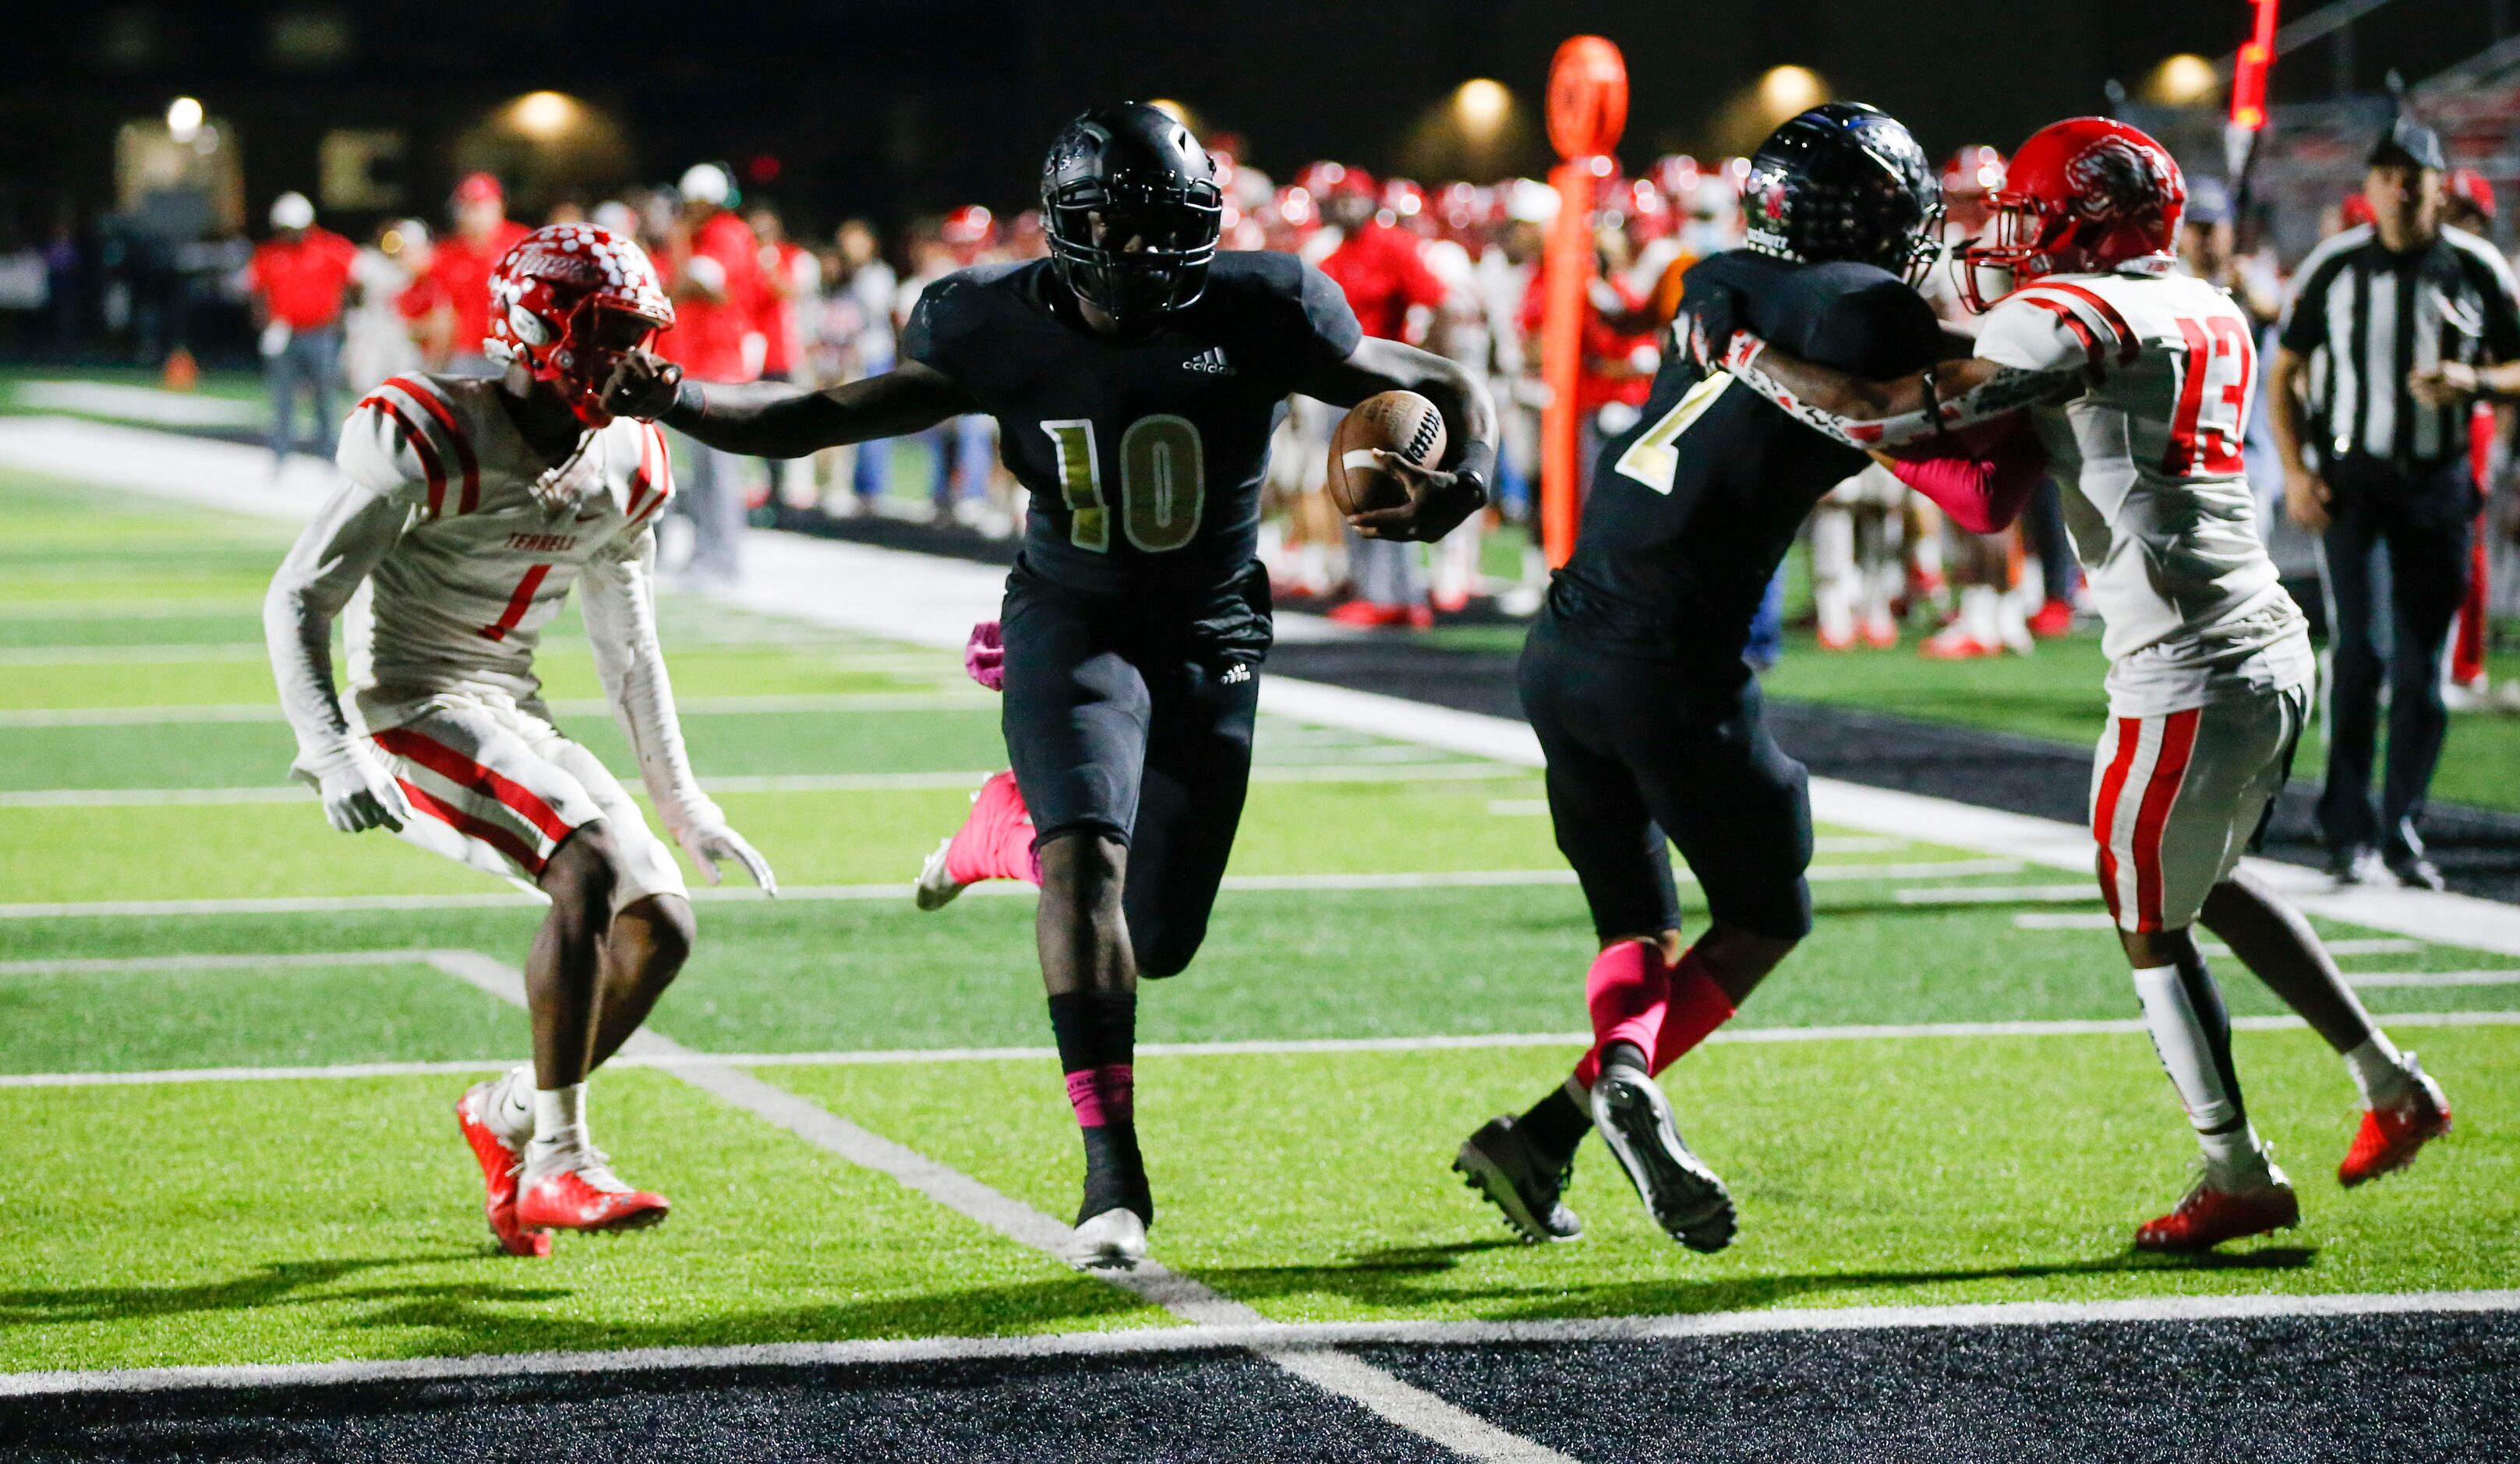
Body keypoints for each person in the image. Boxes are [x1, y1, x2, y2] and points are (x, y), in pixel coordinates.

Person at [600, 103, 1496, 1271]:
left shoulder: (1267, 305)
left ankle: (995, 831)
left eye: (1159, 228)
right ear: (1064, 229)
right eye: (1109, 229)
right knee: (1089, 859)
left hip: (1211, 620)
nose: (1134, 255)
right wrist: (678, 397)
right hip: (1070, 614)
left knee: (1159, 937)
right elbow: (824, 415)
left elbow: (1433, 376)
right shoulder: (991, 320)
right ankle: (1112, 1174)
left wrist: (1462, 478)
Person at [1698, 115, 2455, 1252]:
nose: (2014, 235)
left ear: (2088, 225)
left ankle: (2235, 1167)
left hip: (2185, 661)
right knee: (2210, 881)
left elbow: (1890, 413)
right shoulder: (2198, 300)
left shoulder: (2076, 312)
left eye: (2035, 215)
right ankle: (2389, 1081)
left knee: (2146, 916)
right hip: (2259, 639)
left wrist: (1746, 358)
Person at [1451, 103, 1948, 1252]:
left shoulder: (1723, 278)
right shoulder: (1864, 311)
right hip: (1666, 662)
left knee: (1635, 917)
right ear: (1872, 217)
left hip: (1562, 644)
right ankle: (1600, 1093)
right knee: (1769, 905)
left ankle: (1550, 1130)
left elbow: (1744, 288)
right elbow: (1939, 415)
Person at [263, 225, 776, 1258]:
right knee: (583, 871)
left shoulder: (629, 456)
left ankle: (504, 1113)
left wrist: (685, 803)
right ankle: (560, 1158)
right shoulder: (430, 428)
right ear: (534, 333)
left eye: (638, 337)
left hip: (507, 701)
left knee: (661, 926)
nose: (629, 364)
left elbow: (628, 646)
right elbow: (299, 595)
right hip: (405, 698)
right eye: (605, 337)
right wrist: (330, 745)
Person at [2269, 116, 2520, 889]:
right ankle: (2343, 824)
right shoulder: (2334, 265)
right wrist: (2295, 467)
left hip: (2438, 481)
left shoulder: (2474, 266)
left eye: (2414, 176)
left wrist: (2470, 384)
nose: (2401, 189)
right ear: (2369, 187)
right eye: (2386, 175)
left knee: (2422, 669)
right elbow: (2283, 372)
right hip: (2355, 482)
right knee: (2361, 654)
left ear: (2438, 185)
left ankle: (2400, 824)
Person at [1318, 166, 1454, 628]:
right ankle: (1375, 589)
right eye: (1337, 199)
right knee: (1354, 491)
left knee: (1387, 489)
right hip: (1344, 389)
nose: (1343, 207)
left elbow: (1440, 302)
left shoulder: (1392, 246)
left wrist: (1422, 363)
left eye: (1350, 198)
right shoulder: (1334, 254)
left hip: (1384, 392)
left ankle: (1397, 595)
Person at [656, 164, 766, 585]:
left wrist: (680, 237)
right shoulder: (708, 235)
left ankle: (722, 559)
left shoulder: (726, 233)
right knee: (702, 471)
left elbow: (696, 286)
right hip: (700, 363)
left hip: (721, 365)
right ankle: (706, 553)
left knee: (719, 471)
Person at [245, 193, 358, 465]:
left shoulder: (329, 248)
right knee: (282, 396)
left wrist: (344, 317)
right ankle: (281, 455)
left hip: (321, 333)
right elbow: (256, 291)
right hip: (284, 334)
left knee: (325, 395)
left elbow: (356, 280)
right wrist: (265, 324)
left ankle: (330, 454)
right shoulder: (270, 254)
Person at [405, 173, 531, 376]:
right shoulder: (447, 254)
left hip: (517, 352)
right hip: (468, 355)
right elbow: (444, 317)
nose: (473, 215)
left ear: (498, 206)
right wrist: (435, 368)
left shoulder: (523, 245)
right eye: (466, 208)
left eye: (479, 207)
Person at [343, 218, 428, 397]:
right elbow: (352, 289)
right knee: (367, 385)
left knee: (405, 385)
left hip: (404, 335)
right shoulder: (370, 262)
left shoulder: (422, 272)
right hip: (372, 331)